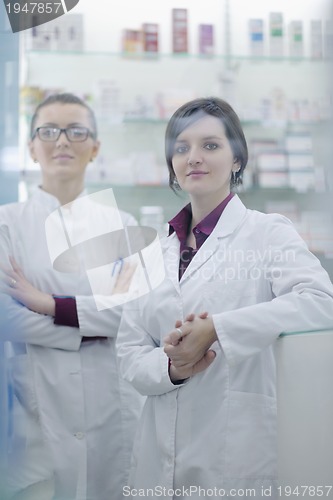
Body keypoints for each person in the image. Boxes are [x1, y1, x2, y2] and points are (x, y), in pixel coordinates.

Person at [116, 97, 333, 499]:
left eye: (210, 145)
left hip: (233, 448)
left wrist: (218, 329)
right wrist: (174, 367)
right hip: (157, 448)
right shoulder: (149, 252)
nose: (194, 157)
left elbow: (320, 300)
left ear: (237, 159)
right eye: (181, 148)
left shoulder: (268, 233)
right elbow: (129, 351)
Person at [0, 93, 144, 500]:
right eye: (48, 131)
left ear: (95, 147)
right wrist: (90, 328)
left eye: (76, 131)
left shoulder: (122, 223)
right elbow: (7, 316)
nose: (62, 141)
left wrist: (46, 304)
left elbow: (132, 315)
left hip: (110, 402)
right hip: (36, 402)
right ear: (31, 147)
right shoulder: (6, 223)